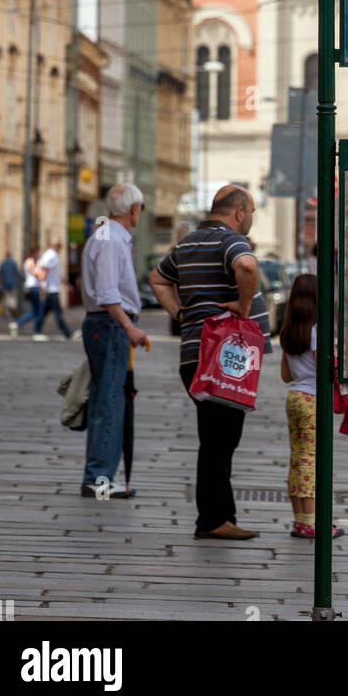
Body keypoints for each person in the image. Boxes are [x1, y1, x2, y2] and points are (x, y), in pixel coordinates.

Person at [149, 184, 272, 541]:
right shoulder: (229, 241)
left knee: (216, 437)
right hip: (223, 360)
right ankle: (213, 519)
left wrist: (180, 313)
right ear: (238, 212)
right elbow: (247, 265)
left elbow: (157, 278)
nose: (250, 219)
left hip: (195, 357)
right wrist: (244, 308)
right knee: (220, 440)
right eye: (250, 212)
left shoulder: (187, 243)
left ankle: (221, 515)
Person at [80, 186, 149, 498]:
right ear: (133, 208)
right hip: (110, 326)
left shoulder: (109, 236)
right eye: (141, 209)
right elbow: (108, 293)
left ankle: (99, 476)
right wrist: (128, 327)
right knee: (109, 402)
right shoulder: (110, 239)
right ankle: (99, 480)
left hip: (107, 325)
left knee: (107, 400)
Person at [280, 273, 344, 540]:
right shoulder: (317, 331)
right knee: (310, 462)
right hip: (312, 400)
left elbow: (285, 375)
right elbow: (324, 369)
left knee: (297, 460)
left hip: (294, 397)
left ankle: (299, 519)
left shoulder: (288, 332)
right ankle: (311, 522)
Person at [34, 241, 72, 340]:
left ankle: (37, 331)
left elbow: (55, 273)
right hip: (50, 289)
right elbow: (44, 271)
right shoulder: (52, 255)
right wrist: (43, 287)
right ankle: (66, 333)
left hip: (50, 288)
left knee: (44, 312)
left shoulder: (48, 254)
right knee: (57, 312)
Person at [9, 247, 44, 338]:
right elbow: (36, 274)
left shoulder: (27, 262)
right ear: (34, 253)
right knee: (37, 311)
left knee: (34, 311)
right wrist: (41, 269)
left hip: (30, 287)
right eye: (37, 253)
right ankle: (36, 332)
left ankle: (16, 324)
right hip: (33, 287)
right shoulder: (31, 261)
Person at [0, 249, 20, 322]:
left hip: (4, 284)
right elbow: (17, 273)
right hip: (13, 283)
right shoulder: (14, 263)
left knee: (6, 299)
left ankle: (8, 314)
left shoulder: (2, 263)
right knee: (12, 298)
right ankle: (13, 307)